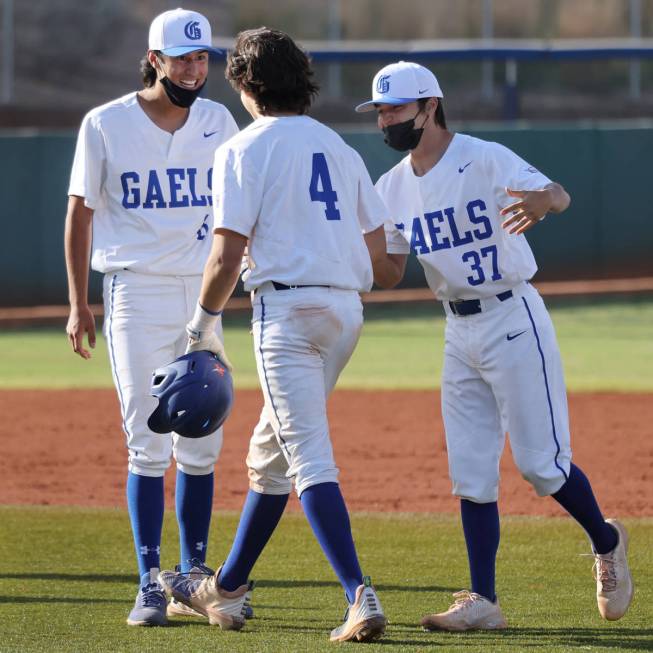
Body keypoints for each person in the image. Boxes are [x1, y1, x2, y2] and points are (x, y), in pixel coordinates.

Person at [355, 61, 633, 631]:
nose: (385, 120)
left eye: (395, 109)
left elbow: (558, 194)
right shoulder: (391, 187)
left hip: (512, 315)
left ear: (429, 107)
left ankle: (606, 543)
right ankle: (483, 599)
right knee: (471, 472)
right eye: (379, 111)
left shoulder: (483, 157)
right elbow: (388, 272)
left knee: (541, 468)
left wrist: (543, 202)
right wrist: (351, 251)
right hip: (457, 329)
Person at [157, 27, 389, 643]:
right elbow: (385, 259)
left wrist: (200, 327)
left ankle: (359, 597)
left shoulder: (243, 147)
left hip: (286, 314)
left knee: (308, 455)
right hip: (345, 313)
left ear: (244, 85)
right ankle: (226, 589)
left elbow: (226, 255)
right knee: (271, 455)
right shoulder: (340, 146)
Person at [64, 8, 239, 627]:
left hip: (204, 293)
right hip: (135, 289)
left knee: (204, 436)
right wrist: (77, 301)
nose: (194, 69)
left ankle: (193, 575)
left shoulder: (219, 120)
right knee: (147, 438)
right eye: (182, 58)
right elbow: (81, 212)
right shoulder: (106, 123)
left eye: (202, 59)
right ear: (154, 59)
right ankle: (148, 582)